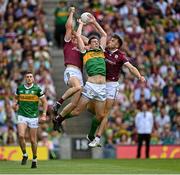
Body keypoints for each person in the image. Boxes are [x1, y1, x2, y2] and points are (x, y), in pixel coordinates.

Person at [53, 15, 107, 141]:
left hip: (102, 87)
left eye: (96, 42)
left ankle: (61, 119)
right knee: (77, 107)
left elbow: (103, 35)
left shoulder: (101, 50)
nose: (96, 42)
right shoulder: (85, 51)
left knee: (99, 115)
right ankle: (59, 110)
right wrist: (81, 24)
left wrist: (94, 22)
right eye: (93, 41)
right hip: (90, 85)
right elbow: (77, 36)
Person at [87, 34, 146, 147]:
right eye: (110, 39)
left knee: (105, 113)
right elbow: (89, 42)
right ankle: (97, 129)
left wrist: (139, 76)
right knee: (90, 108)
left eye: (113, 40)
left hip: (111, 85)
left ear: (117, 44)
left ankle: (97, 138)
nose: (110, 41)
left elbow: (131, 67)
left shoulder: (121, 56)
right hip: (100, 83)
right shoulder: (103, 51)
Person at [52, 7, 85, 132]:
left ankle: (58, 119)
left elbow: (89, 42)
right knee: (77, 87)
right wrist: (71, 13)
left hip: (79, 75)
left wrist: (80, 34)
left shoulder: (81, 46)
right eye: (74, 36)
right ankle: (58, 103)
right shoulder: (68, 42)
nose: (74, 37)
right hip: (71, 70)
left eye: (76, 36)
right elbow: (69, 27)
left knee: (75, 106)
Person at [14, 71, 48, 168]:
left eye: (30, 77)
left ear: (33, 79)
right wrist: (15, 104)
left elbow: (45, 102)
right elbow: (16, 99)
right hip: (22, 115)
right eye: (27, 77)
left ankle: (34, 158)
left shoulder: (37, 89)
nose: (29, 78)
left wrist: (44, 114)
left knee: (33, 140)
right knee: (21, 135)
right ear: (25, 78)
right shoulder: (19, 89)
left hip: (33, 116)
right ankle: (24, 154)